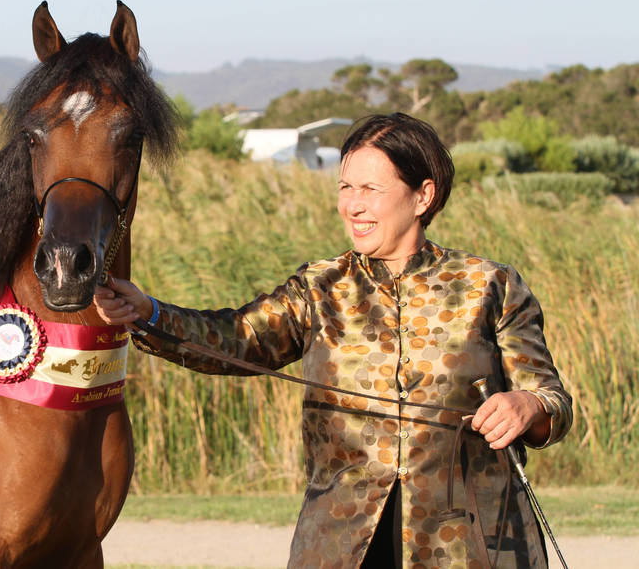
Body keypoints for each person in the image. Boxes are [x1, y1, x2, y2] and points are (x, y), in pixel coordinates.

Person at [95, 112, 572, 569]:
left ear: (422, 196)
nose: (352, 205)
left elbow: (553, 401)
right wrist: (148, 313)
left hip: (471, 546)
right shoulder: (320, 287)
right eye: (346, 187)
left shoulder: (490, 285)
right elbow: (234, 339)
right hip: (340, 545)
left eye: (370, 189)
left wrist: (528, 406)